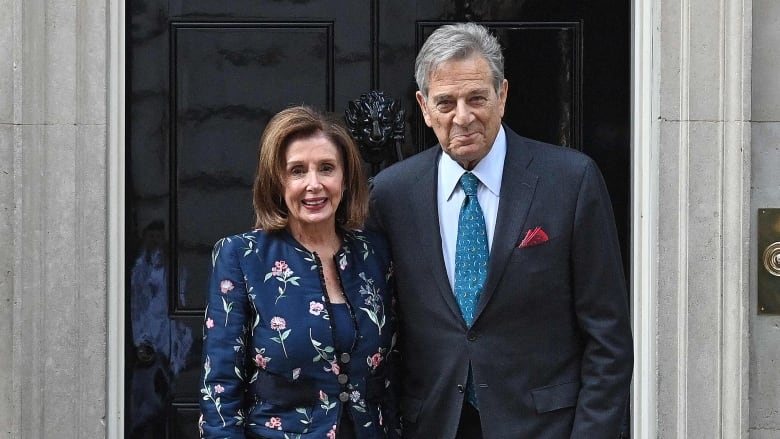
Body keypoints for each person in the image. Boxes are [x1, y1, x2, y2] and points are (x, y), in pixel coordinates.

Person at [367, 23, 633, 438]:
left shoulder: (570, 180)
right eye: (446, 102)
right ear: (423, 106)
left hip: (545, 427)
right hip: (433, 424)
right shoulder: (390, 195)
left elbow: (609, 338)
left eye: (477, 98)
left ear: (502, 95)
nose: (463, 116)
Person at [199, 106, 400, 439]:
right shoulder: (242, 257)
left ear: (345, 178)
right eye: (297, 171)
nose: (314, 184)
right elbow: (219, 385)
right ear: (277, 181)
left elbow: (392, 369)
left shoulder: (374, 254)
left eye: (326, 168)